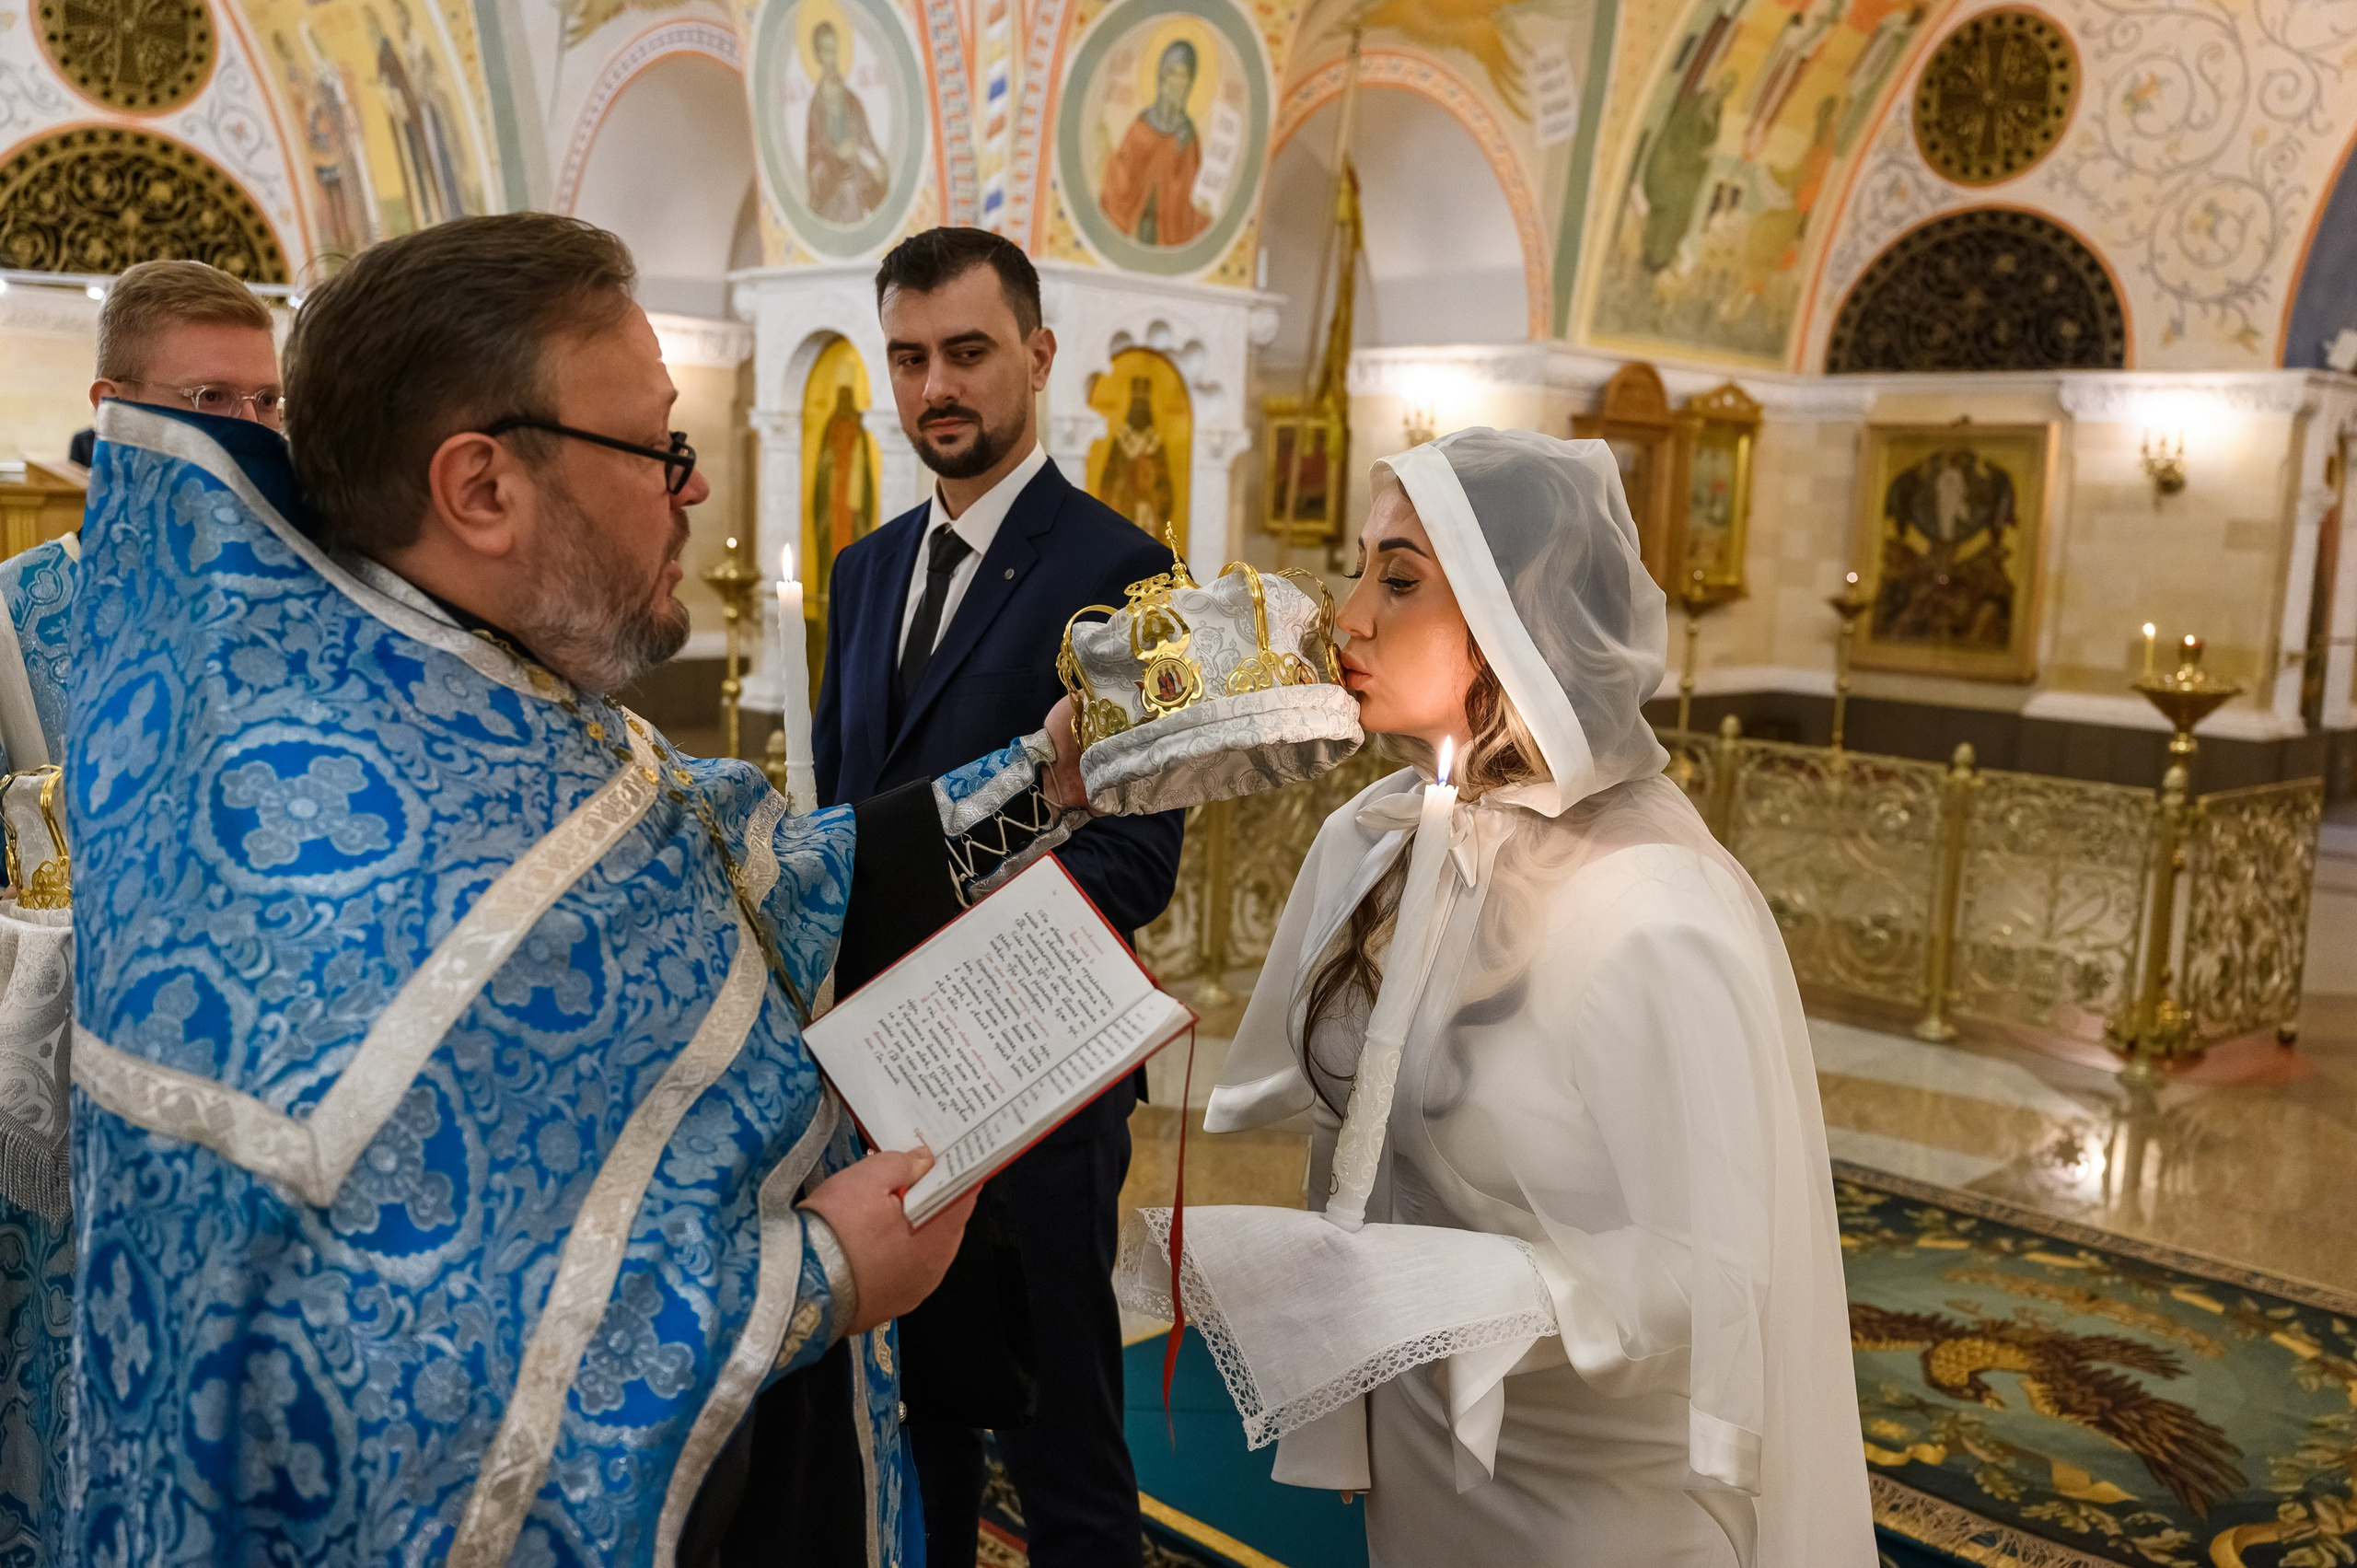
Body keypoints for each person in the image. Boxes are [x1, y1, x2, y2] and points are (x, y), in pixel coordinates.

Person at [64, 213, 1113, 1567]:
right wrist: (822, 1275)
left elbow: (774, 874)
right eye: (657, 448)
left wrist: (1051, 778)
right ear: (482, 488)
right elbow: (404, 1392)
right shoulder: (328, 868)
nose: (693, 491)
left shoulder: (493, 692)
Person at [1189, 428, 1875, 1565]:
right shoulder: (1378, 846)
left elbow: (1722, 1273)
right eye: (1358, 568)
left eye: (1397, 579)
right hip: (1425, 1447)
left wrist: (1469, 1288)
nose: (1345, 617)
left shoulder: (1648, 912)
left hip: (1592, 1497)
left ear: (1524, 618)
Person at [789, 226, 1181, 1568]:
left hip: (1036, 1085)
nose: (934, 386)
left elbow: (1136, 858)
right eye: (907, 358)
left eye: (966, 351)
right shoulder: (864, 568)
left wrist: (948, 963)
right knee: (916, 1431)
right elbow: (853, 820)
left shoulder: (1125, 572)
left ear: (1037, 354)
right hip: (886, 1087)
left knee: (1064, 1444)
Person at [1098, 40, 1208, 247]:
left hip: (1171, 236)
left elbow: (1192, 198)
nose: (1178, 83)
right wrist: (1107, 153)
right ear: (1162, 77)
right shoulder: (1142, 126)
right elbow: (1123, 179)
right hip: (1138, 228)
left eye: (1184, 76)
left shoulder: (1188, 135)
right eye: (1173, 74)